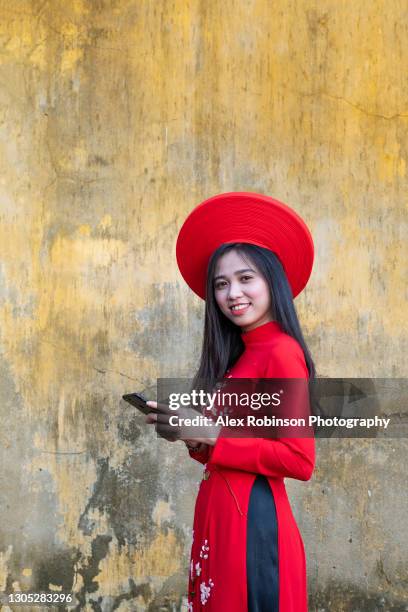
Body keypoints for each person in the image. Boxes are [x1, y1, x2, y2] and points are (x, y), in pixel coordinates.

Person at [145, 192, 316, 611]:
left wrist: (211, 433)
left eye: (245, 279)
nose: (232, 293)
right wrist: (192, 438)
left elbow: (298, 459)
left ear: (271, 281)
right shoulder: (241, 357)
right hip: (221, 516)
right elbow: (230, 448)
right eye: (221, 284)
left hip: (253, 525)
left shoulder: (281, 351)